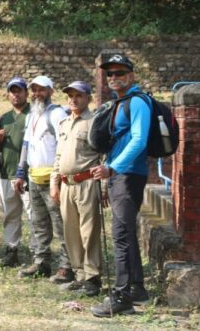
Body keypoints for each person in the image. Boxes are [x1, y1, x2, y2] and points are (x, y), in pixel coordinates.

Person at [91, 54, 151, 317]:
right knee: (125, 233)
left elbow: (139, 140)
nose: (113, 77)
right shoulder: (120, 102)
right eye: (110, 74)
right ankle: (137, 288)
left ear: (131, 75)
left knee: (122, 236)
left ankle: (122, 297)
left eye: (119, 73)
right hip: (119, 176)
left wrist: (113, 168)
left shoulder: (137, 102)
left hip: (128, 175)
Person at [14, 75, 73, 282]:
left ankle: (67, 266)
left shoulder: (57, 114)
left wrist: (58, 178)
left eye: (41, 90)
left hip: (51, 178)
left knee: (60, 224)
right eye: (34, 90)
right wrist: (21, 172)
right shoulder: (32, 114)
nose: (37, 94)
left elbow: (63, 146)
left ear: (50, 91)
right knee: (38, 224)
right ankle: (41, 263)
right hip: (34, 176)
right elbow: (26, 145)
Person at [51, 81, 103, 297]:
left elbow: (103, 156)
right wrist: (54, 182)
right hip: (66, 183)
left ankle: (93, 276)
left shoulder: (94, 122)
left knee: (88, 231)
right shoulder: (64, 123)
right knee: (71, 231)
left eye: (78, 95)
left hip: (87, 181)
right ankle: (79, 273)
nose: (73, 99)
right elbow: (59, 155)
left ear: (88, 98)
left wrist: (105, 185)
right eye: (70, 95)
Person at [0, 77, 35, 268]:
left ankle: (38, 252)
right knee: (11, 214)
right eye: (12, 91)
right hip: (7, 173)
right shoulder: (5, 118)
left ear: (26, 93)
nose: (16, 94)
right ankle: (12, 250)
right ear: (8, 94)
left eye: (19, 90)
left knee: (33, 214)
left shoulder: (33, 114)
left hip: (28, 173)